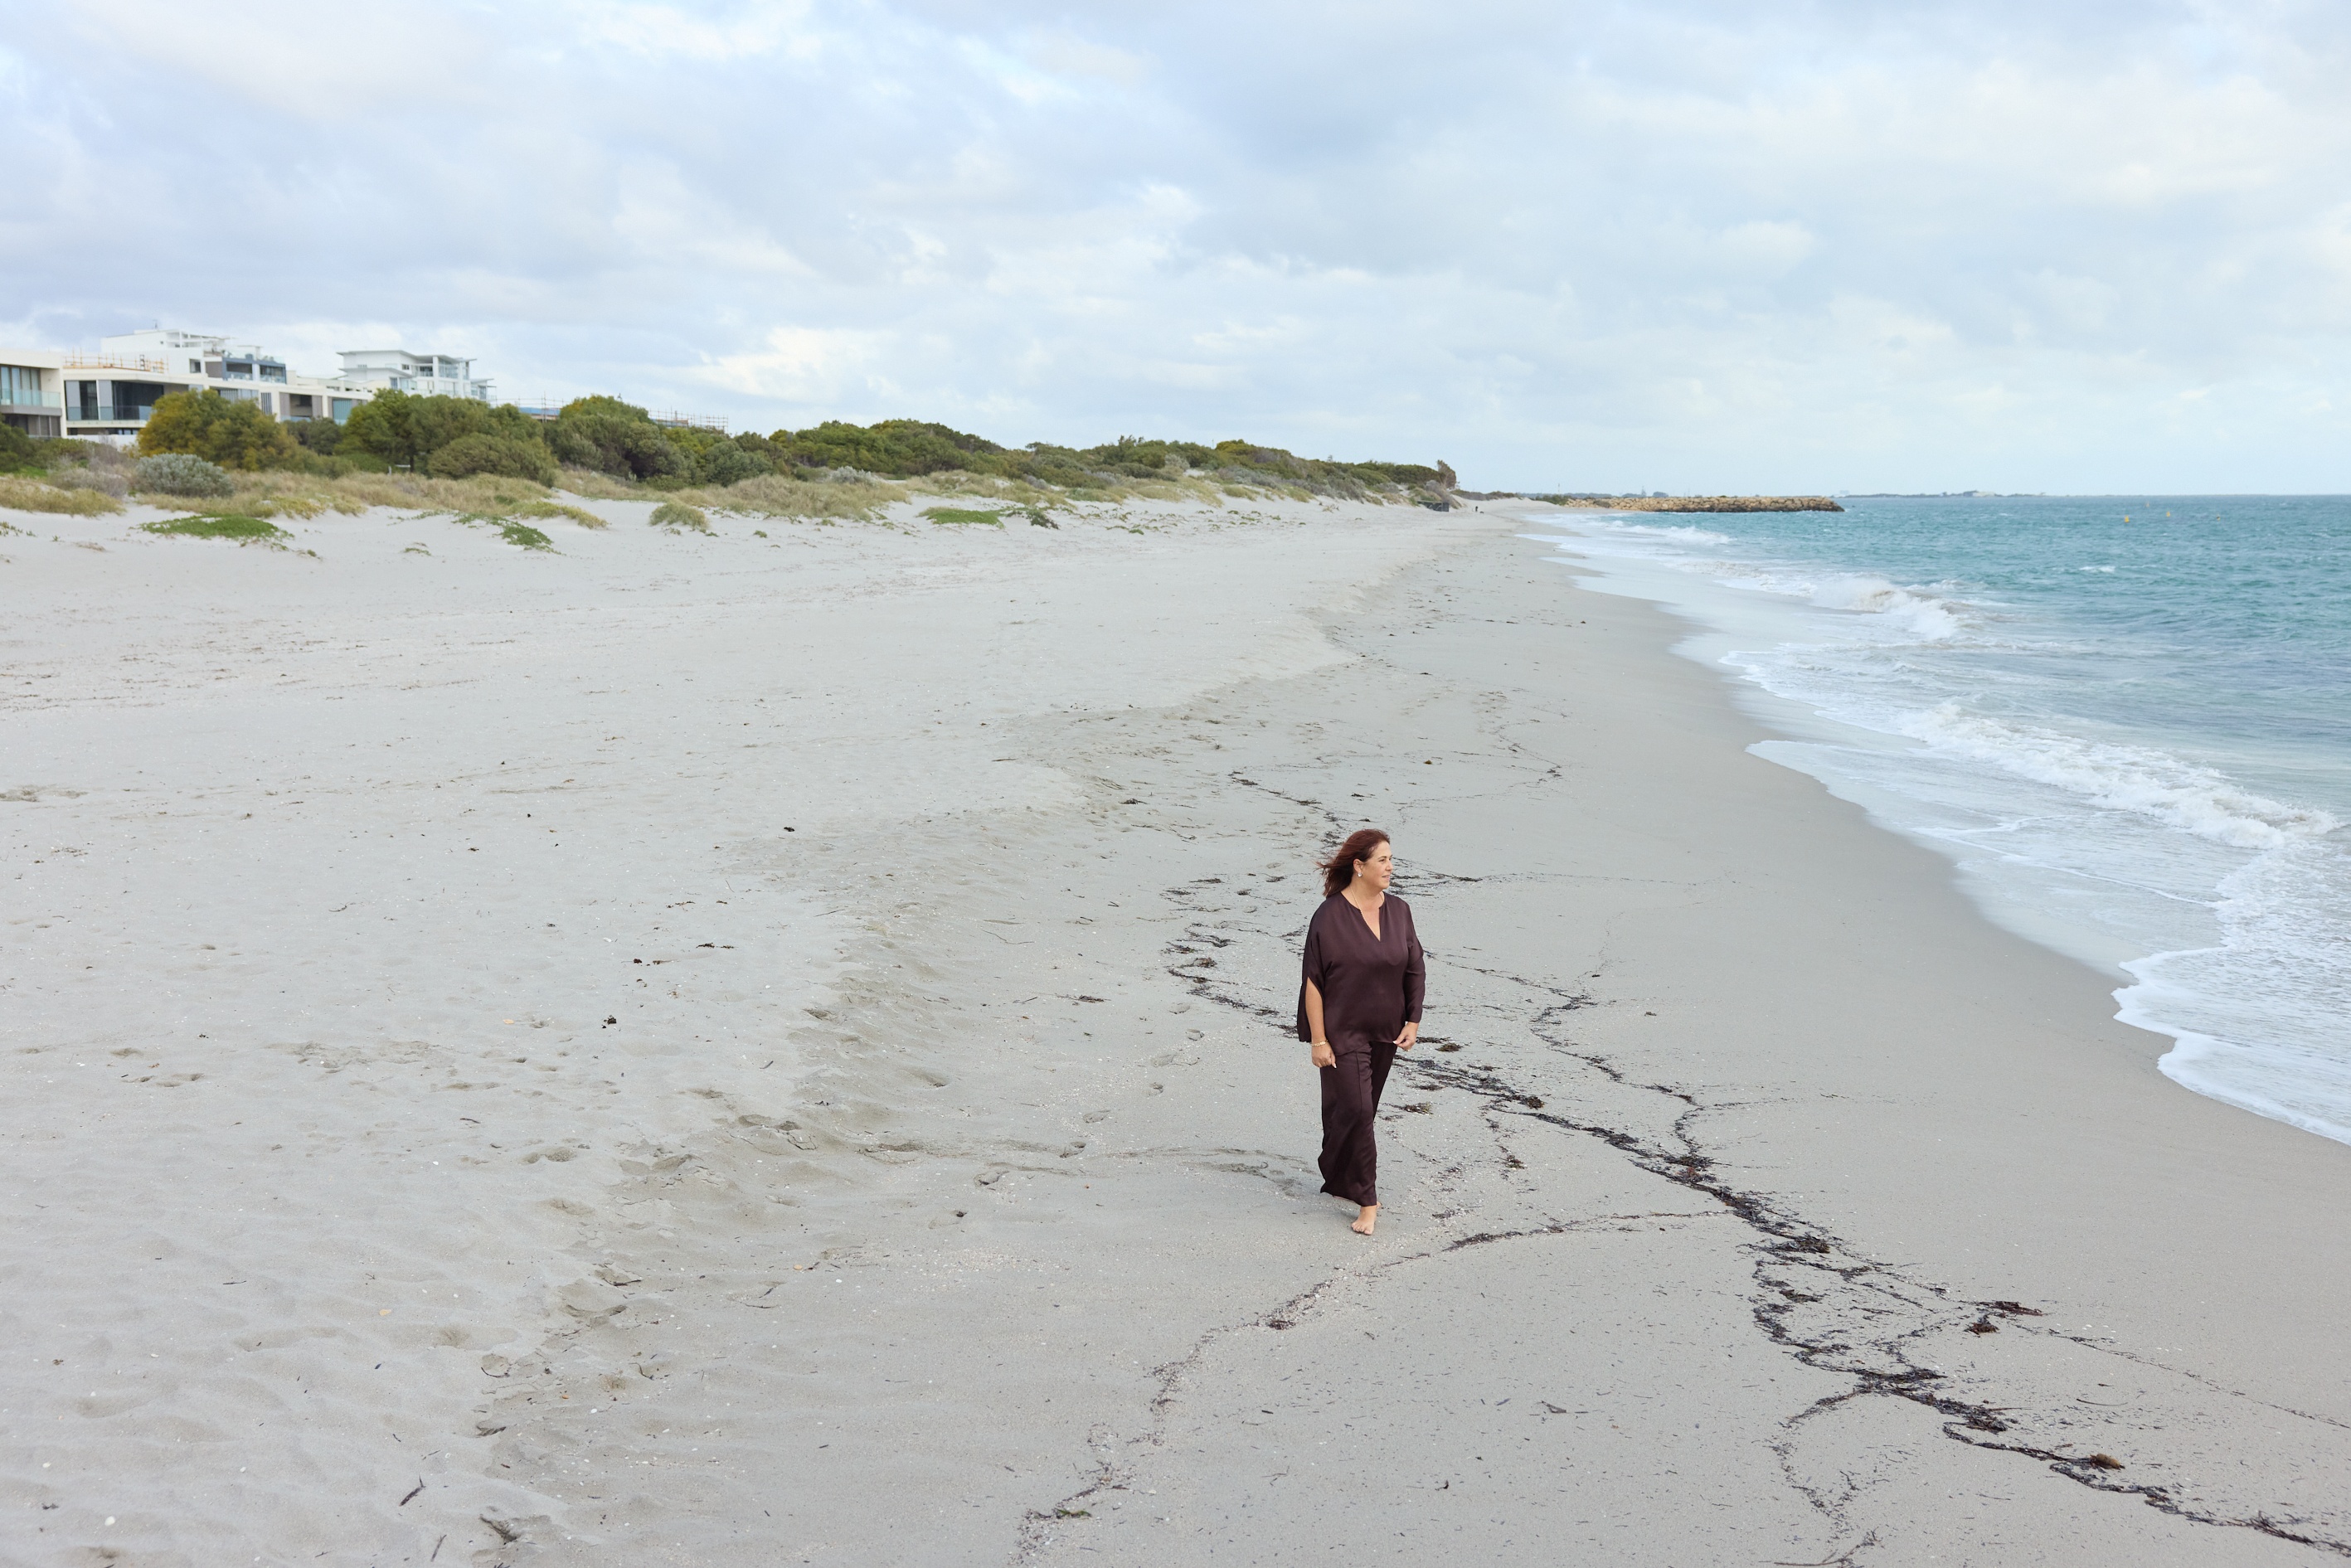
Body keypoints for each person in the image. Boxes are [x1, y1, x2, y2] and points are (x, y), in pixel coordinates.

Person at [1295, 828, 1426, 1235]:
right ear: (1359, 866)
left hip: (1385, 1031)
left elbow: (1414, 967)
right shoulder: (1330, 916)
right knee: (1358, 1111)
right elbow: (1313, 981)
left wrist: (1413, 1020)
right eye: (1383, 860)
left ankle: (1338, 1178)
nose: (1390, 867)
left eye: (1391, 859)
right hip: (1341, 1031)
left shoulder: (1400, 911)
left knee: (1352, 1113)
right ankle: (1367, 1200)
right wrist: (1319, 1040)